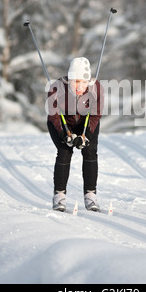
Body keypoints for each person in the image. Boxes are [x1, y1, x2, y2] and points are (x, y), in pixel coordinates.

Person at [47, 57, 104, 212]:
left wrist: (87, 136)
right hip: (61, 123)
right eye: (75, 81)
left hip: (86, 123)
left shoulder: (96, 88)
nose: (80, 86)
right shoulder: (55, 88)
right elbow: (54, 115)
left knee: (90, 151)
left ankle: (90, 195)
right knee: (65, 152)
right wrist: (64, 134)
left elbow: (95, 115)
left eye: (84, 82)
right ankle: (59, 195)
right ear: (69, 79)